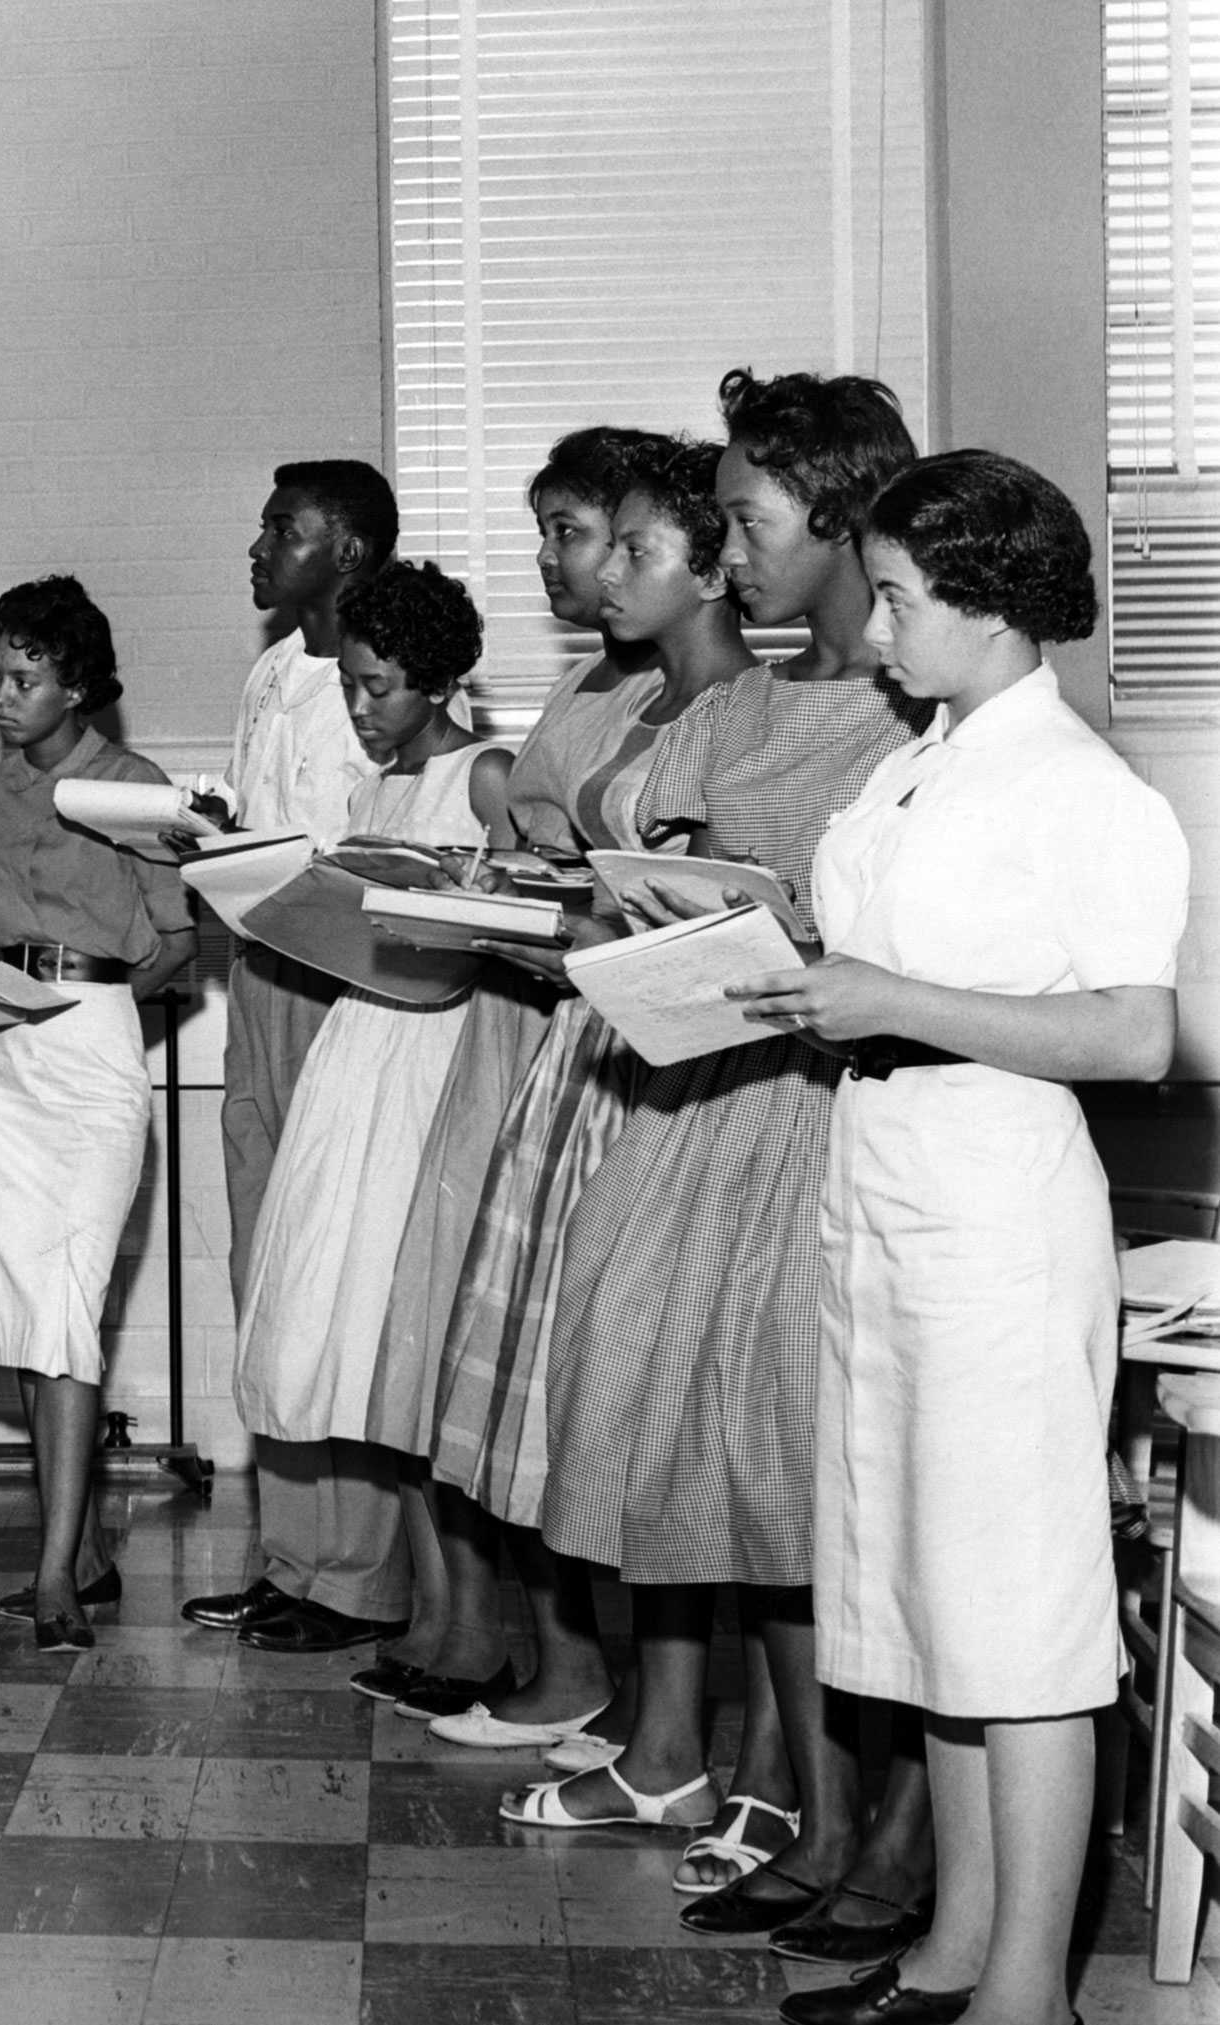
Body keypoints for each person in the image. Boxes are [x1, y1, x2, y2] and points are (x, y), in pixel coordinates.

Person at [731, 452, 1186, 2025]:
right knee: (928, 1591)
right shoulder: (918, 760)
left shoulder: (1080, 789)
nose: (874, 632)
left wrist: (884, 1001)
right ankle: (950, 1950)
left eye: (904, 603)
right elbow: (880, 956)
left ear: (993, 607)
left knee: (1021, 1615)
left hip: (997, 1201)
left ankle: (1024, 1999)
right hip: (890, 1177)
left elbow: (1133, 1033)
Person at [506, 374, 930, 1945]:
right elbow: (667, 871)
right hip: (696, 1094)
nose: (727, 552)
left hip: (811, 1115)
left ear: (838, 520)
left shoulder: (903, 708)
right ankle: (800, 1807)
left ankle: (846, 1824)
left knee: (789, 1479)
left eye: (745, 521)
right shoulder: (740, 703)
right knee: (693, 1458)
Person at [361, 424, 678, 1704]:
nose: (559, 565)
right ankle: (560, 1671)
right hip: (563, 1034)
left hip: (617, 1045)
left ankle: (600, 1691)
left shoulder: (679, 698)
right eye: (548, 534)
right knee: (518, 1384)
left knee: (584, 1389)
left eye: (576, 533)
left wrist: (527, 912)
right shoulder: (586, 690)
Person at [226, 560, 511, 1658]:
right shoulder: (372, 789)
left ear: (437, 683)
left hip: (437, 1062)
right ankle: (430, 1621)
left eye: (380, 688)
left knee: (422, 1344)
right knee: (363, 1342)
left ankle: (469, 1629)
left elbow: (520, 929)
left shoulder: (486, 776)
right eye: (348, 686)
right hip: (364, 1045)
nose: (359, 709)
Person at [0, 576, 197, 1651]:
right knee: (31, 1318)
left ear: (77, 684)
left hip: (93, 1054)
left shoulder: (134, 787)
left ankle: (54, 1576)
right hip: (3, 1058)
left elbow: (173, 947)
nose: (1, 694)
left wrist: (102, 998)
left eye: (25, 677)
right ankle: (71, 1553)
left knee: (69, 1306)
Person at [179, 458, 397, 1640]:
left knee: (335, 1271)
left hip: (346, 987)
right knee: (265, 1265)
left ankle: (360, 1577)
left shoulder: (379, 681)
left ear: (348, 553)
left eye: (282, 530)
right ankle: (292, 1557)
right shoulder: (274, 673)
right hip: (261, 973)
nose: (258, 548)